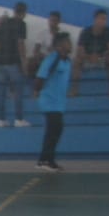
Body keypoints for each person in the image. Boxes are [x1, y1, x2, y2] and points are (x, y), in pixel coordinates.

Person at [33, 31, 72, 171]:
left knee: (56, 130)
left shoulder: (67, 61)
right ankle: (44, 160)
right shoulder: (51, 59)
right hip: (49, 101)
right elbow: (40, 77)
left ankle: (47, 159)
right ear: (59, 45)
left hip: (59, 102)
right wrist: (37, 91)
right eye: (67, 42)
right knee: (53, 130)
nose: (70, 45)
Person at [0, 1, 30, 128]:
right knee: (18, 91)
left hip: (1, 60)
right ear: (24, 12)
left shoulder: (3, 23)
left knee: (1, 93)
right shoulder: (21, 24)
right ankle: (19, 119)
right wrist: (24, 62)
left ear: (14, 11)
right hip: (13, 61)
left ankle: (1, 119)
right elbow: (20, 43)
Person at [70, 9, 109, 97]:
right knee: (76, 61)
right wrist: (89, 57)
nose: (104, 21)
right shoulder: (86, 32)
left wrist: (99, 56)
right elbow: (80, 51)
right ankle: (74, 89)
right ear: (96, 19)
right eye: (102, 19)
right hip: (87, 58)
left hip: (102, 58)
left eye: (105, 19)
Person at [28, 10, 67, 77]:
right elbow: (36, 49)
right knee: (31, 61)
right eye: (51, 20)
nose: (52, 23)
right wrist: (39, 55)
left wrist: (56, 50)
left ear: (59, 22)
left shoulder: (63, 34)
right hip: (44, 58)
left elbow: (66, 50)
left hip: (57, 58)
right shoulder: (43, 33)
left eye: (55, 20)